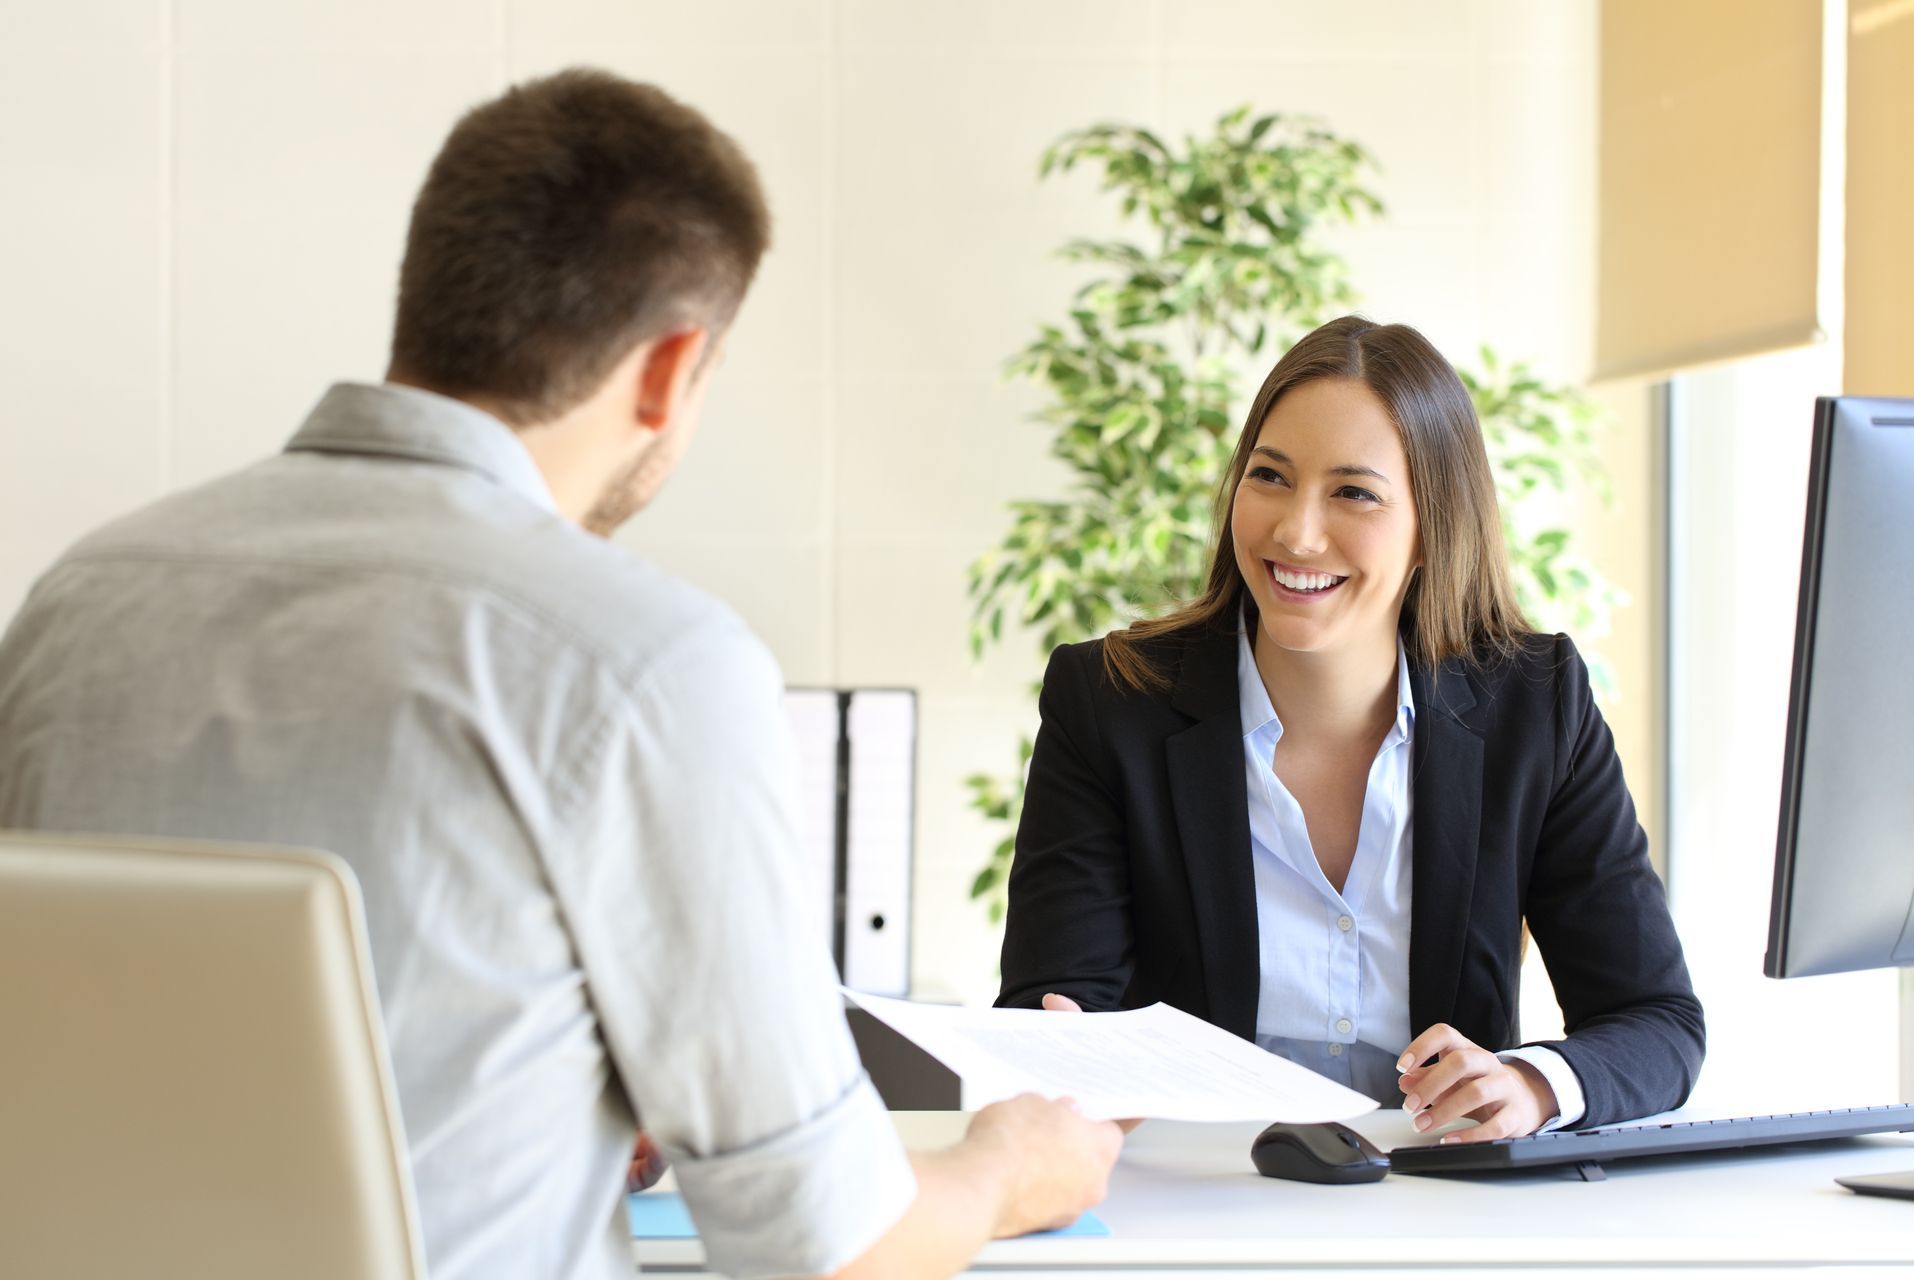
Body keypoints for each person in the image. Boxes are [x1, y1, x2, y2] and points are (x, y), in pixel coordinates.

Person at [0, 69, 1119, 1279]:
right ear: (668, 368)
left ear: (427, 293)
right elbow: (824, 1246)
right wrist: (1011, 1168)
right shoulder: (642, 658)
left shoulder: (80, 596)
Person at [997, 315, 1705, 1142]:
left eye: (1354, 492)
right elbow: (1053, 1006)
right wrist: (1069, 1057)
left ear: (1430, 531)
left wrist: (1532, 1084)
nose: (1296, 532)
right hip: (1194, 1198)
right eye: (1270, 477)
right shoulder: (1111, 700)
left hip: (1436, 1209)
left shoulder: (1534, 705)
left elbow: (1657, 1021)